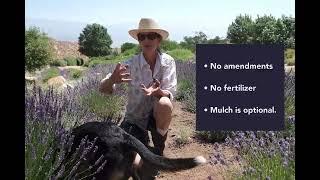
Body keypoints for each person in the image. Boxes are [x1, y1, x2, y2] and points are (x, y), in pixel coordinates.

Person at [99, 18, 177, 178]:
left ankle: (159, 148)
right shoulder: (130, 65)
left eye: (151, 36)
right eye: (142, 37)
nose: (147, 40)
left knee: (164, 103)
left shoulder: (168, 62)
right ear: (138, 40)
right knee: (135, 163)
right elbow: (104, 89)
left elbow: (170, 94)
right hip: (135, 119)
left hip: (157, 115)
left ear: (159, 39)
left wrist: (158, 92)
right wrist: (111, 80)